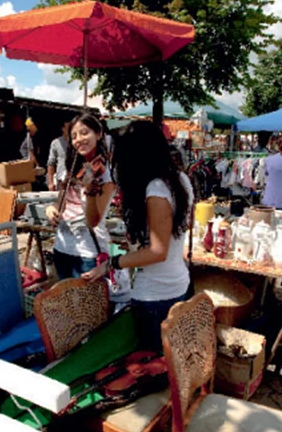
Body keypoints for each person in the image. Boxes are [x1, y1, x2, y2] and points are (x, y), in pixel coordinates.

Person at [83, 120, 194, 351]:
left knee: (152, 362)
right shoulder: (180, 179)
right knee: (168, 359)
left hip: (156, 294)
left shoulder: (156, 190)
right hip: (177, 283)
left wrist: (113, 264)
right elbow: (184, 226)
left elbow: (157, 251)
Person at [45, 113, 115, 279]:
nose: (79, 139)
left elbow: (93, 221)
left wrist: (90, 191)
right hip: (61, 248)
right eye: (74, 136)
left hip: (87, 253)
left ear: (98, 134)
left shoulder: (105, 176)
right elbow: (60, 204)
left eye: (85, 133)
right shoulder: (71, 171)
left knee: (87, 304)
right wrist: (51, 209)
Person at [46, 121, 71, 191]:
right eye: (68, 128)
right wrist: (50, 183)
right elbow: (51, 163)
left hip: (75, 180)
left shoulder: (77, 142)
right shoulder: (56, 143)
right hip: (61, 180)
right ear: (63, 128)